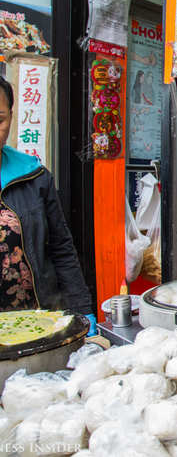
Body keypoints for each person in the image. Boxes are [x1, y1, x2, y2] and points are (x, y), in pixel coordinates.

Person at [0, 76, 96, 332]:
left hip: (36, 321)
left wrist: (83, 310)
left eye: (0, 120)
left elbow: (61, 248)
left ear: (11, 116)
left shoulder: (33, 176)